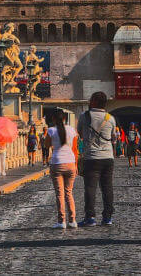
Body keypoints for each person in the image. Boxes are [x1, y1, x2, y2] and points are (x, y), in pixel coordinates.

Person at [76, 91, 118, 227]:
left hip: (91, 157)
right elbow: (113, 137)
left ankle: (90, 217)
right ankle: (107, 217)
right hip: (108, 157)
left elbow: (80, 133)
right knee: (107, 187)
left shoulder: (85, 116)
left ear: (93, 101)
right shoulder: (110, 118)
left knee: (90, 188)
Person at [45, 107, 79, 229]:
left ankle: (61, 221)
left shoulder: (51, 130)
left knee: (60, 194)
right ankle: (73, 220)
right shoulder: (72, 130)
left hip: (57, 162)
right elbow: (75, 149)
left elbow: (46, 145)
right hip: (70, 162)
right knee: (69, 193)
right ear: (65, 118)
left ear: (53, 119)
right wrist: (76, 165)